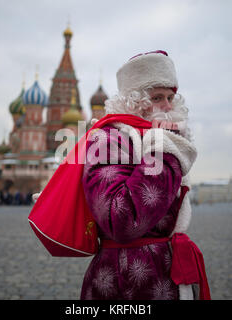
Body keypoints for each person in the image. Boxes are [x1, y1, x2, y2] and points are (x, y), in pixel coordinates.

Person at [80, 51, 209, 300]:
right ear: (134, 101)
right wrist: (167, 151)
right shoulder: (108, 139)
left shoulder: (151, 136)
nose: (169, 106)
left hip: (168, 273)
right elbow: (121, 221)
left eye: (171, 97)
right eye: (158, 97)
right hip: (124, 281)